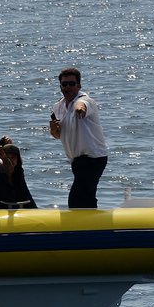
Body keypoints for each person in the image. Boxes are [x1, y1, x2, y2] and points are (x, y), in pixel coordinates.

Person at [48, 66, 109, 208]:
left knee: (77, 198)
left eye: (71, 84)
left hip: (94, 158)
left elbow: (81, 105)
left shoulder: (85, 100)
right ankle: (92, 223)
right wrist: (53, 130)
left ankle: (86, 225)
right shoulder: (58, 107)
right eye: (64, 84)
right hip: (76, 160)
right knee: (86, 196)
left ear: (79, 85)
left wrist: (80, 110)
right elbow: (57, 135)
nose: (67, 87)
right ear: (60, 86)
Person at [0, 144, 37, 210]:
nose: (11, 160)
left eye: (13, 157)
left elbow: (26, 194)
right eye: (7, 158)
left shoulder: (19, 173)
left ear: (18, 159)